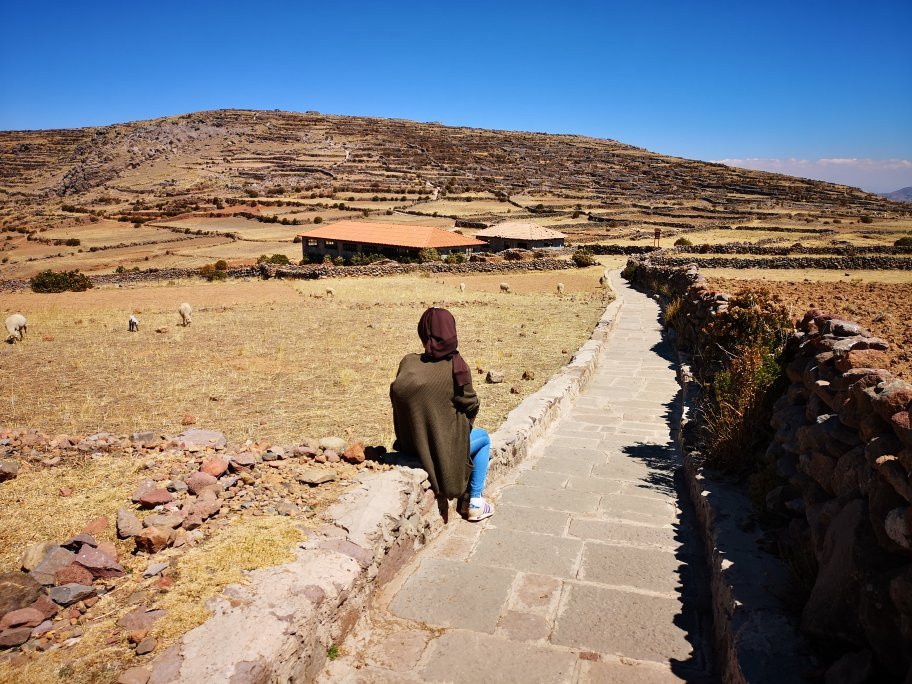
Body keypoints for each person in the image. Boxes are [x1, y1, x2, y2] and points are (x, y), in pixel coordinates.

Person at [390, 307, 493, 522]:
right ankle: (475, 501)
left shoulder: (408, 362)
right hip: (437, 451)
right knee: (483, 438)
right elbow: (471, 404)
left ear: (423, 332)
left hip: (409, 446)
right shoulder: (455, 366)